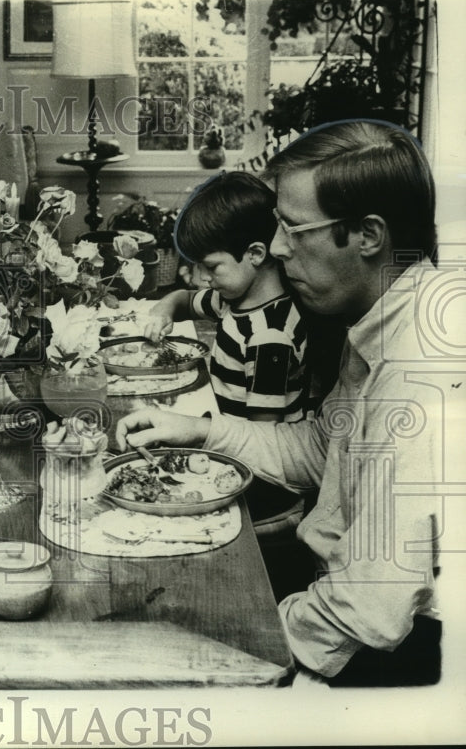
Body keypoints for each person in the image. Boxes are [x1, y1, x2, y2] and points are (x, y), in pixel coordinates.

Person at [116, 120, 442, 685]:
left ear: (368, 235)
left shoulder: (417, 374)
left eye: (294, 228)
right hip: (331, 603)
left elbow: (371, 610)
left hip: (377, 659)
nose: (279, 249)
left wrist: (245, 632)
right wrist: (199, 431)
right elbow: (321, 451)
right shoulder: (378, 317)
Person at [144, 171, 309, 423]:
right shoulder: (233, 299)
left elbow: (263, 435)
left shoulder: (269, 337)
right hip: (227, 426)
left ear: (254, 253)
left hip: (252, 450)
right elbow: (184, 300)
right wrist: (163, 312)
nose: (202, 279)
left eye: (211, 267)